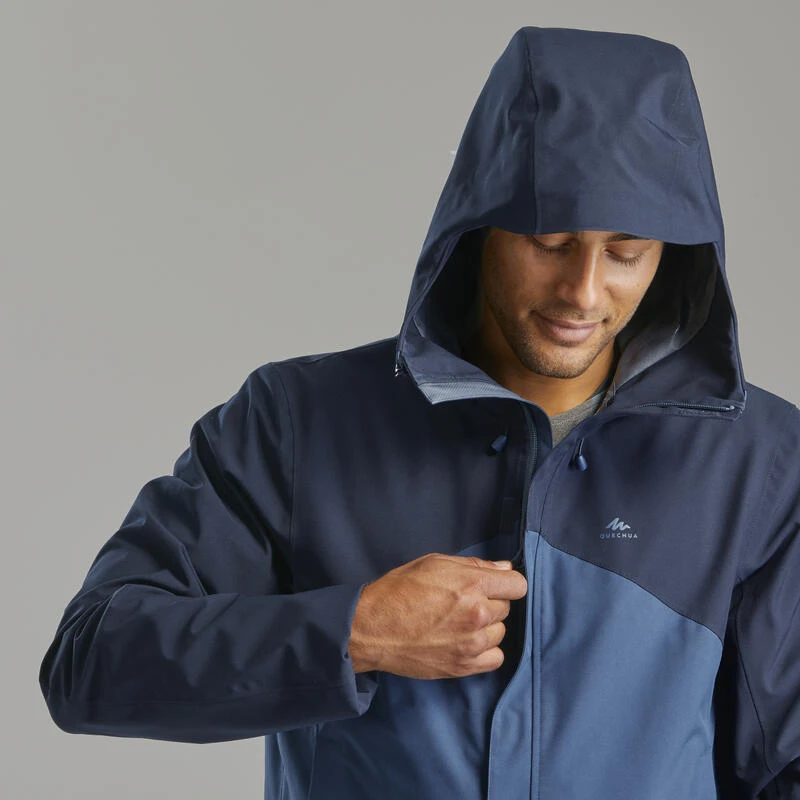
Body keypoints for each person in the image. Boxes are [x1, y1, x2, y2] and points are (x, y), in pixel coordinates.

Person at [39, 25, 800, 800]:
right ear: (481, 221)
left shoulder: (760, 466)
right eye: (549, 242)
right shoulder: (298, 425)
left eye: (626, 253)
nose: (583, 291)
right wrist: (355, 630)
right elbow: (91, 661)